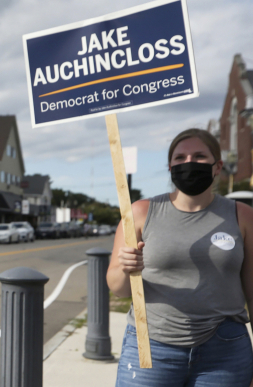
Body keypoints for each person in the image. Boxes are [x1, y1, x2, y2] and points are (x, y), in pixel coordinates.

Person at [107, 128, 253, 386]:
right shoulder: (140, 212)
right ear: (170, 167)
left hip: (225, 350)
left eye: (199, 156)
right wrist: (125, 268)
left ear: (217, 166)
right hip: (150, 346)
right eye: (180, 158)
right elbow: (117, 289)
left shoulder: (242, 215)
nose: (189, 163)